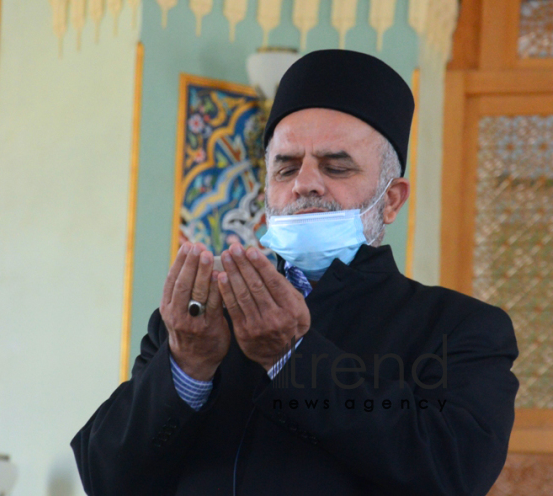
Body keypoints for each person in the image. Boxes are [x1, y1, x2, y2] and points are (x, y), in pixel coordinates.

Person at [71, 49, 519, 495]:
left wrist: (291, 357)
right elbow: (108, 478)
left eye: (335, 166)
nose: (304, 183)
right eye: (286, 168)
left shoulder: (459, 329)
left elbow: (453, 472)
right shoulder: (202, 318)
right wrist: (188, 367)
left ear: (392, 200)